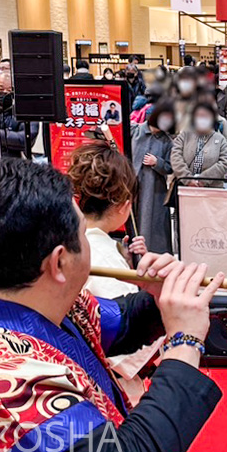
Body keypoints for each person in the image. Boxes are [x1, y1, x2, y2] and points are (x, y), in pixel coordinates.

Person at [0, 158, 225, 452]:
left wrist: (156, 297)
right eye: (84, 233)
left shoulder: (37, 299)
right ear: (60, 261)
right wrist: (184, 344)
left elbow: (119, 323)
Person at [67, 142, 154, 404]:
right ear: (124, 206)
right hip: (103, 385)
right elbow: (130, 350)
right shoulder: (102, 255)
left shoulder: (72, 240)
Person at [132, 100, 176, 254]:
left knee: (153, 223)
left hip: (154, 188)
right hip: (132, 185)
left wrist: (158, 162)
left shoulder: (167, 141)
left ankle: (154, 255)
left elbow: (170, 168)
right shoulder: (135, 131)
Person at [171, 102, 227, 187]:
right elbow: (175, 157)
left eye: (206, 116)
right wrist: (187, 179)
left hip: (212, 190)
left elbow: (224, 162)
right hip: (184, 187)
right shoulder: (185, 135)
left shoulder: (220, 139)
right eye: (199, 116)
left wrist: (203, 180)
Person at [0, 71, 39, 158]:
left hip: (15, 164)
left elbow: (25, 139)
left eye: (9, 90)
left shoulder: (25, 110)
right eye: (0, 89)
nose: (5, 92)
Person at [174, 67, 200, 133]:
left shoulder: (202, 103)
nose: (185, 83)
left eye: (188, 79)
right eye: (183, 79)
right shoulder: (171, 103)